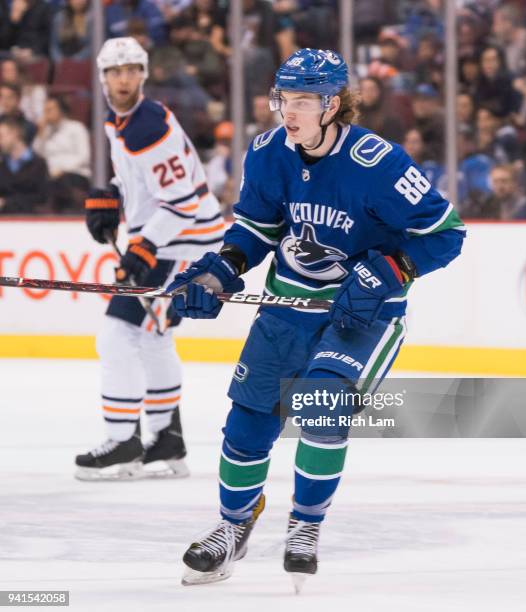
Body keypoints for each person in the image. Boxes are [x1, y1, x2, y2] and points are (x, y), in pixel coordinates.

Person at [166, 48, 466, 587]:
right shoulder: (266, 154)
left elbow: (447, 234)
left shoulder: (380, 164)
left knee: (322, 411)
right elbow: (255, 231)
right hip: (287, 306)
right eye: (284, 98)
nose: (289, 111)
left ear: (334, 104)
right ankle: (233, 525)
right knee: (246, 425)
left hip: (363, 315)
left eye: (304, 100)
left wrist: (393, 269)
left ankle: (305, 524)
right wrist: (221, 271)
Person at [74, 37, 225, 480]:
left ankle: (123, 441)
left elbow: (182, 200)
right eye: (114, 71)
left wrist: (146, 245)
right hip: (177, 239)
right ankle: (166, 439)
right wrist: (112, 196)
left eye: (131, 70)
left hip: (184, 242)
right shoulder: (120, 121)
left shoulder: (148, 126)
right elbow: (140, 180)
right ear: (103, 78)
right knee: (154, 336)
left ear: (143, 74)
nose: (123, 78)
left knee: (117, 334)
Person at [33, 95, 91, 213]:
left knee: (61, 182)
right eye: (45, 110)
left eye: (50, 110)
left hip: (75, 174)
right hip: (50, 176)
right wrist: (40, 133)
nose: (46, 114)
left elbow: (84, 156)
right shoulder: (46, 131)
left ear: (61, 110)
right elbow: (37, 154)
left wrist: (62, 169)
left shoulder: (76, 128)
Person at [0, 115, 48, 214]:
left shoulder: (39, 164)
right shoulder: (2, 166)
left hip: (31, 221)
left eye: (1, 136)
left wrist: (7, 202)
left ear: (15, 133)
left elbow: (42, 198)